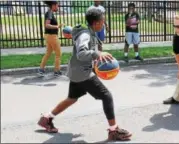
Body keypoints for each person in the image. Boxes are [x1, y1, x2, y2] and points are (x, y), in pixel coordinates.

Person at [37, 7, 132, 141]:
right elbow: (82, 54)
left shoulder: (89, 32)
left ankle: (47, 118)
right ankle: (113, 130)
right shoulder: (85, 35)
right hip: (83, 73)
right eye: (102, 21)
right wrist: (97, 54)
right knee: (107, 96)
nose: (104, 23)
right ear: (96, 23)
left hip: (77, 71)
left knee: (72, 98)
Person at [38, 1, 63, 76]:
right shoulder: (49, 13)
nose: (58, 7)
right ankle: (56, 70)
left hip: (48, 36)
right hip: (52, 36)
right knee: (58, 54)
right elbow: (47, 25)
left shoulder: (49, 13)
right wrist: (57, 26)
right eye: (57, 6)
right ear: (53, 5)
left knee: (48, 53)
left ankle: (41, 69)